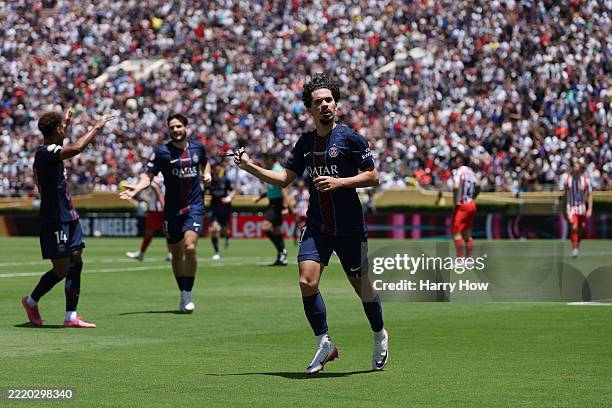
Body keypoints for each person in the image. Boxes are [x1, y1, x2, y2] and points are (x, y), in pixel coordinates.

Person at [234, 73, 388, 374]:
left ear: (336, 104)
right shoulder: (304, 143)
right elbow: (284, 178)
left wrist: (340, 182)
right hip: (317, 224)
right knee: (307, 280)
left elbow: (373, 176)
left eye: (329, 100)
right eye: (319, 102)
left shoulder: (351, 138)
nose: (325, 105)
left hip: (350, 227)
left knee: (362, 288)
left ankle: (379, 333)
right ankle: (324, 342)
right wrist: (250, 166)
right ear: (310, 109)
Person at [21, 109, 115, 328]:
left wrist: (67, 123)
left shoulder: (51, 150)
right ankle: (31, 301)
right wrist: (97, 127)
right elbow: (77, 148)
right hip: (54, 219)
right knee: (62, 269)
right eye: (63, 128)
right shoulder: (45, 152)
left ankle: (71, 316)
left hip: (69, 216)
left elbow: (61, 142)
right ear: (58, 130)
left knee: (76, 260)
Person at [120, 113, 211, 313]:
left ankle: (188, 291)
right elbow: (148, 176)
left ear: (186, 127)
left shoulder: (197, 148)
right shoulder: (162, 152)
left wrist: (208, 173)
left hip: (194, 207)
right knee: (177, 253)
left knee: (190, 247)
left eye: (179, 126)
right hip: (171, 211)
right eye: (172, 127)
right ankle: (182, 293)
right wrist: (137, 188)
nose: (176, 130)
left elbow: (205, 162)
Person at [253, 153, 289, 266]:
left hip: (277, 203)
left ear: (270, 159)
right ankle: (282, 256)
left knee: (265, 227)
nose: (264, 162)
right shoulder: (272, 170)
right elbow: (271, 189)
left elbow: (284, 189)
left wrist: (285, 207)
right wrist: (260, 198)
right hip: (273, 202)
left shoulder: (278, 170)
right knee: (277, 230)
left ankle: (282, 252)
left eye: (265, 160)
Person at [126, 174, 172, 261]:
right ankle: (171, 253)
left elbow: (158, 193)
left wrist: (163, 206)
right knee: (167, 231)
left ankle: (141, 253)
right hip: (164, 207)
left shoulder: (155, 178)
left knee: (149, 231)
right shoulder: (166, 176)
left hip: (156, 209)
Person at [560, 160, 593, 258]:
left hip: (581, 208)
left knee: (581, 228)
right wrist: (563, 208)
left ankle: (577, 247)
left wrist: (590, 209)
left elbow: (590, 194)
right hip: (571, 207)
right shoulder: (567, 180)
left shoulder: (585, 180)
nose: (577, 170)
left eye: (578, 168)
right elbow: (565, 195)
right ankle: (574, 248)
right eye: (575, 168)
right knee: (574, 227)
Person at [451, 155, 480, 257]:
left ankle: (460, 259)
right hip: (471, 204)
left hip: (462, 205)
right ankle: (469, 260)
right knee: (467, 234)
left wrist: (455, 202)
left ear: (461, 161)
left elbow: (456, 186)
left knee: (456, 233)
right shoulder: (471, 172)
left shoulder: (459, 171)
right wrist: (472, 197)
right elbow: (479, 186)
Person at [207, 161, 235, 260]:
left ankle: (227, 237)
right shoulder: (209, 181)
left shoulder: (225, 180)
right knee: (214, 229)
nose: (217, 170)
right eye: (215, 168)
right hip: (214, 208)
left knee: (225, 230)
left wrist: (229, 198)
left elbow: (233, 190)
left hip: (225, 208)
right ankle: (217, 252)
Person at [291, 178, 309, 245]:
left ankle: (305, 239)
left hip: (305, 211)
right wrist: (293, 209)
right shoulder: (295, 192)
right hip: (298, 211)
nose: (300, 187)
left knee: (306, 226)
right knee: (296, 226)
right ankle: (295, 240)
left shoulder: (306, 192)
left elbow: (309, 202)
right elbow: (291, 201)